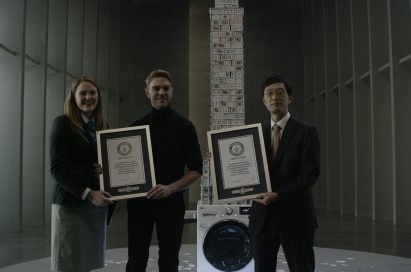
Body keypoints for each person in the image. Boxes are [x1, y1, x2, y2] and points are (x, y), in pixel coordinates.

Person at [126, 69, 203, 272]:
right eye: (156, 88)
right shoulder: (135, 127)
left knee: (169, 260)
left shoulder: (185, 127)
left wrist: (171, 188)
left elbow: (196, 169)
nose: (161, 92)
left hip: (172, 202)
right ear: (147, 92)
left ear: (172, 92)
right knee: (135, 259)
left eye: (166, 88)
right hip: (138, 203)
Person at [249, 74, 320, 272]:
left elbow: (310, 173)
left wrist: (279, 195)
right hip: (263, 218)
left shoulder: (307, 131)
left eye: (280, 92)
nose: (275, 97)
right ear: (263, 100)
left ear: (290, 98)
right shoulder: (254, 134)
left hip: (296, 216)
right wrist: (218, 161)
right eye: (269, 94)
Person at [49, 76, 113, 272]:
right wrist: (88, 192)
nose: (88, 97)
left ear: (98, 97)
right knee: (69, 264)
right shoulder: (62, 123)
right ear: (73, 97)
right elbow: (57, 169)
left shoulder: (102, 126)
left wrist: (104, 169)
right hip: (72, 204)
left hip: (96, 206)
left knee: (87, 262)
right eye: (82, 93)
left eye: (92, 93)